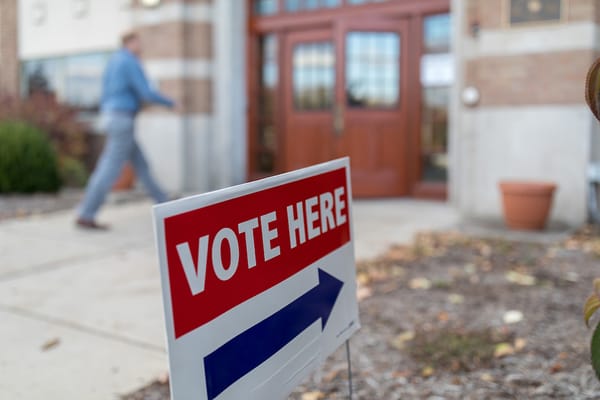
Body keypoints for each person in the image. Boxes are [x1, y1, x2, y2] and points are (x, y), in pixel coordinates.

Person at [76, 31, 175, 230]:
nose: (141, 46)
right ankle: (86, 213)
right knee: (109, 168)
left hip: (113, 117)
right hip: (122, 119)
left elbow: (104, 92)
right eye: (138, 42)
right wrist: (171, 102)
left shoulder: (113, 61)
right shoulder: (129, 61)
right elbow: (145, 91)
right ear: (130, 42)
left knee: (141, 164)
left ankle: (165, 204)